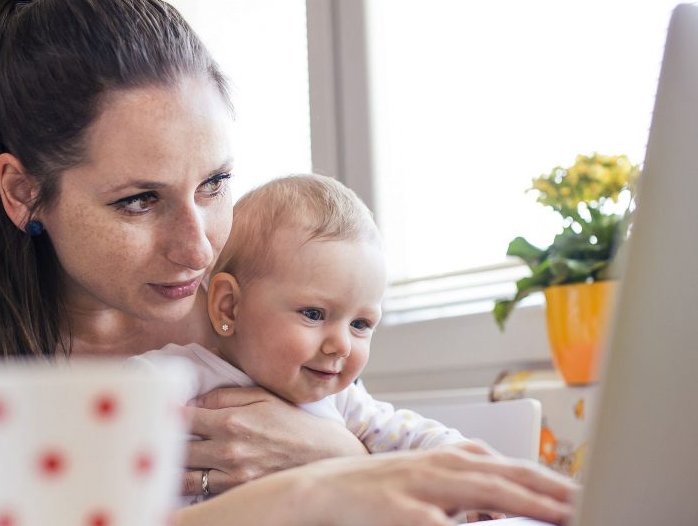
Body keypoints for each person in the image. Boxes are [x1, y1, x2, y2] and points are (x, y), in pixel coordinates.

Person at [0, 0, 577, 526]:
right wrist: (312, 490)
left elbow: (357, 426)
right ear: (22, 192)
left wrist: (335, 455)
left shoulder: (247, 283)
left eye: (215, 184)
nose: (197, 249)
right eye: (139, 201)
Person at [131, 174, 481, 506]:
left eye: (360, 323)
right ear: (229, 306)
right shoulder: (174, 377)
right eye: (314, 314)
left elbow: (414, 439)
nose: (341, 345)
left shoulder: (345, 402)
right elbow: (98, 434)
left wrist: (474, 476)